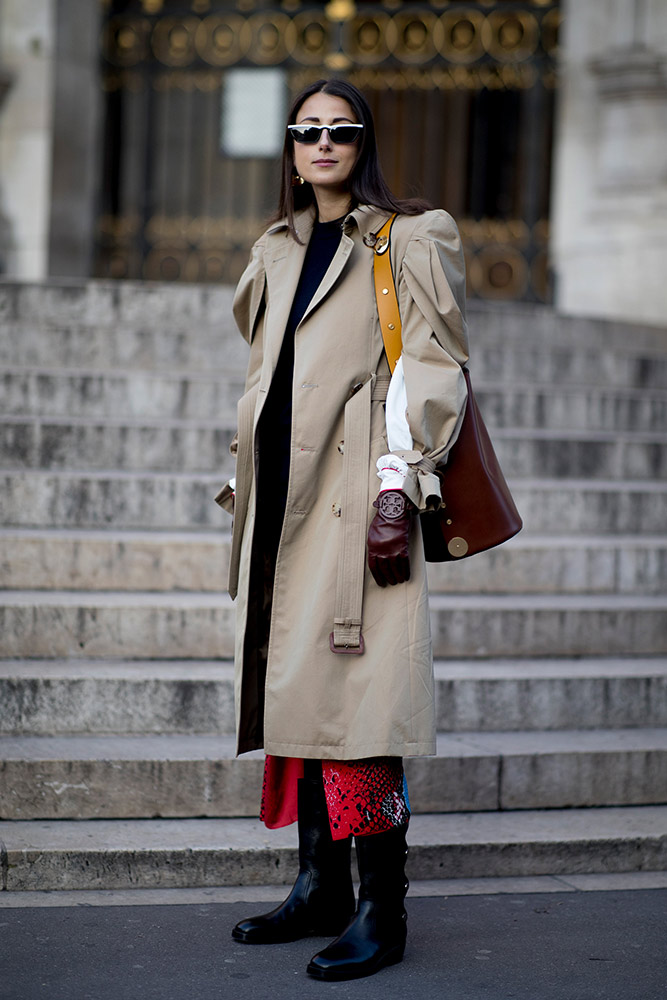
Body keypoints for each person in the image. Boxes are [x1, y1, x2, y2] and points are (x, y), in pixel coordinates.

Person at [216, 78, 469, 981]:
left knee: (361, 712)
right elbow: (266, 373)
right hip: (278, 499)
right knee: (302, 697)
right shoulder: (275, 248)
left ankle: (379, 906)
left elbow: (434, 368)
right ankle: (317, 885)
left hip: (359, 498)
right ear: (289, 147)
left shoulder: (407, 235)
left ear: (364, 144)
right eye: (307, 131)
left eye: (341, 130)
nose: (323, 144)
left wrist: (403, 479)